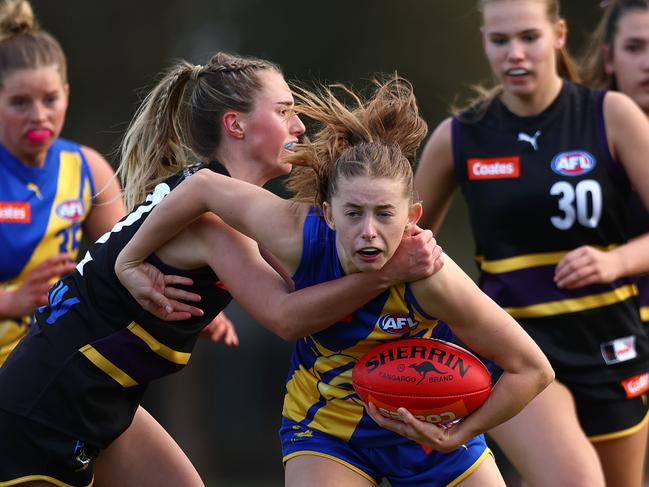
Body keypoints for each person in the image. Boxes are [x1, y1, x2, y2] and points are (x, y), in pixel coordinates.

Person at [0, 50, 443, 486]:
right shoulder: (211, 219)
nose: (299, 125)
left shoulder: (211, 199)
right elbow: (287, 316)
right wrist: (386, 273)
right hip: (43, 407)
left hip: (95, 398)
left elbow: (305, 276)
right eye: (284, 110)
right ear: (236, 124)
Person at [116, 75, 554, 487]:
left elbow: (533, 370)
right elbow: (203, 186)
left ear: (412, 217)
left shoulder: (431, 277)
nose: (368, 231)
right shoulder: (295, 234)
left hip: (431, 429)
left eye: (385, 214)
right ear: (326, 213)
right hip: (327, 427)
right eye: (352, 213)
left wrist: (460, 433)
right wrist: (129, 258)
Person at [413, 0, 649, 486]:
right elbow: (409, 248)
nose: (514, 54)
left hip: (610, 343)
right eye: (500, 41)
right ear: (484, 40)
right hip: (515, 351)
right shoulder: (460, 137)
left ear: (558, 35)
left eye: (529, 37)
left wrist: (616, 262)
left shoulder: (611, 115)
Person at [582, 0, 649, 328]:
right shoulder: (572, 137)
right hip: (591, 333)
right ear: (609, 58)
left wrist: (618, 260)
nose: (648, 63)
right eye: (635, 47)